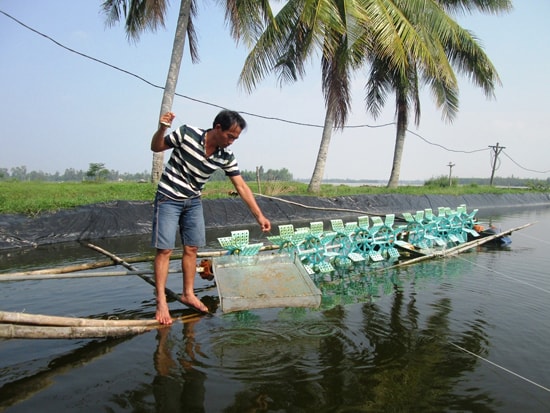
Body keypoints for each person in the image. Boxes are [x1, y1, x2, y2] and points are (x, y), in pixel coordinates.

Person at [150, 109, 271, 324]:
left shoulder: (226, 156)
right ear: (217, 128)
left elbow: (241, 186)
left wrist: (259, 216)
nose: (232, 142)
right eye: (230, 136)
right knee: (165, 249)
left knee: (192, 248)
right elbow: (156, 147)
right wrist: (162, 129)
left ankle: (188, 293)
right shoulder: (187, 134)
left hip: (193, 201)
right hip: (168, 197)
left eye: (236, 138)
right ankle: (161, 301)